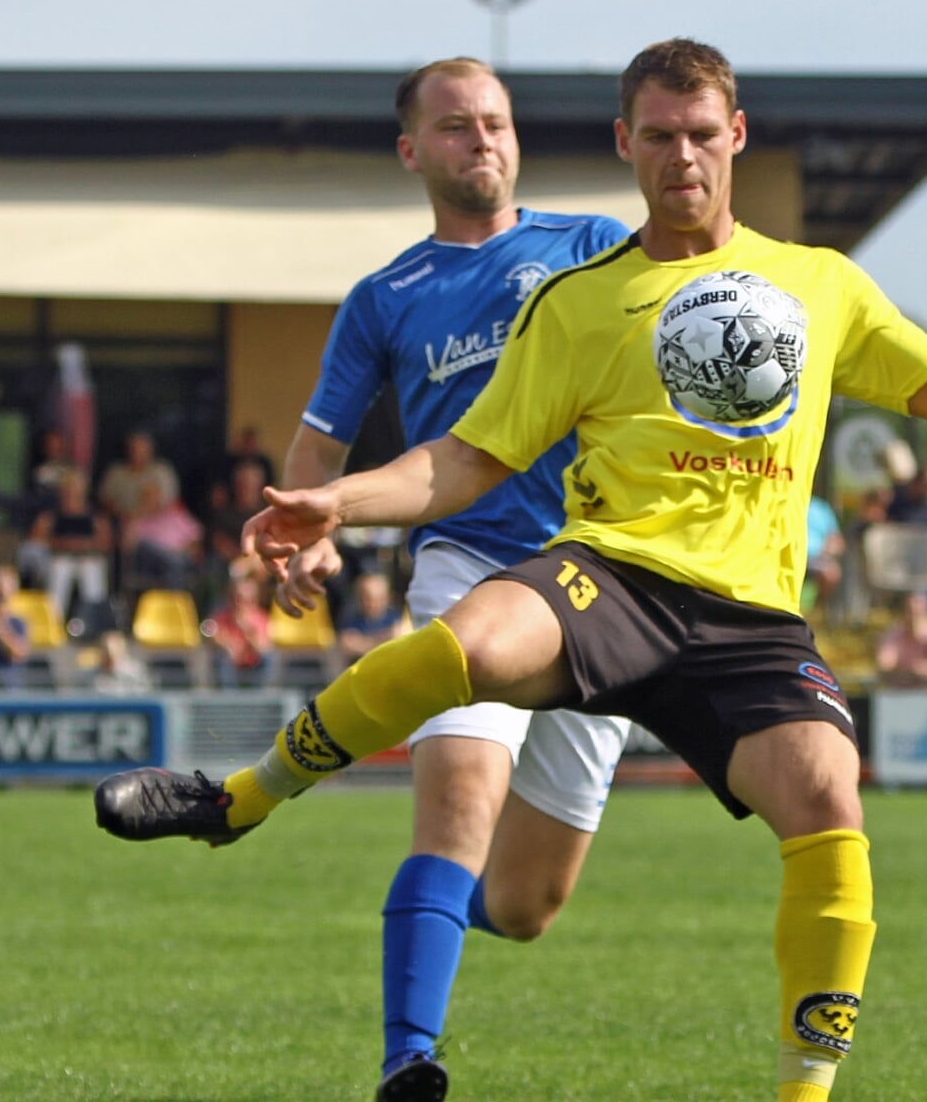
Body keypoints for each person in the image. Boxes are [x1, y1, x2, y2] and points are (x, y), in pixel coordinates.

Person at [95, 39, 927, 1102]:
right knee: (466, 649)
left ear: (734, 134)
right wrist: (335, 498)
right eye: (658, 138)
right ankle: (240, 801)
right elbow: (465, 460)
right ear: (624, 145)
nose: (681, 157)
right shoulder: (576, 300)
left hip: (754, 622)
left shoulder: (819, 284)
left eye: (699, 134)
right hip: (611, 580)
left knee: (799, 807)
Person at [116, 57, 633, 1101]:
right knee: (457, 803)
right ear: (412, 152)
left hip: (603, 579)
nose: (480, 139)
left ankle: (440, 912)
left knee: (529, 903)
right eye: (453, 126)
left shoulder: (592, 249)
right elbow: (318, 446)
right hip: (470, 562)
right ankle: (410, 1059)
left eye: (494, 121)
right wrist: (310, 534)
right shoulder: (384, 297)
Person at [24, 469, 113, 622]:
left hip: (87, 560)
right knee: (60, 570)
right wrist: (61, 544)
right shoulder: (49, 517)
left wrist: (82, 545)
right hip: (57, 560)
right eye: (67, 489)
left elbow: (106, 544)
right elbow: (35, 541)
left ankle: (93, 621)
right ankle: (54, 622)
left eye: (75, 489)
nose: (71, 494)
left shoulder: (96, 518)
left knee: (91, 570)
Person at [872, 591, 927, 689]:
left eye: (919, 611)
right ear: (903, 612)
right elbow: (884, 666)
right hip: (897, 694)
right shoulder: (892, 635)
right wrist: (910, 670)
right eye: (910, 611)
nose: (914, 616)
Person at [208, 573, 275, 688]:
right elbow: (214, 639)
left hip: (253, 663)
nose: (240, 603)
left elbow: (263, 648)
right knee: (221, 657)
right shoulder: (220, 618)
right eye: (236, 598)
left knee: (268, 657)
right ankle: (229, 698)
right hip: (230, 662)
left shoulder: (261, 619)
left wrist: (248, 631)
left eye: (246, 600)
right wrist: (228, 646)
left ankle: (261, 697)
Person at [98, 430, 180, 523]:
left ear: (150, 449)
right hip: (119, 521)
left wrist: (141, 515)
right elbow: (105, 500)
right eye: (133, 447)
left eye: (141, 447)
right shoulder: (115, 472)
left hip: (158, 521)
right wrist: (124, 516)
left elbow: (169, 502)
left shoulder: (161, 470)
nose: (137, 451)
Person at [335, 571, 409, 662]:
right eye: (366, 597)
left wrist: (362, 642)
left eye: (378, 598)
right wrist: (385, 639)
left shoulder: (397, 618)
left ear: (387, 598)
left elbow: (400, 635)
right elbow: (346, 644)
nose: (372, 603)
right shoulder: (352, 619)